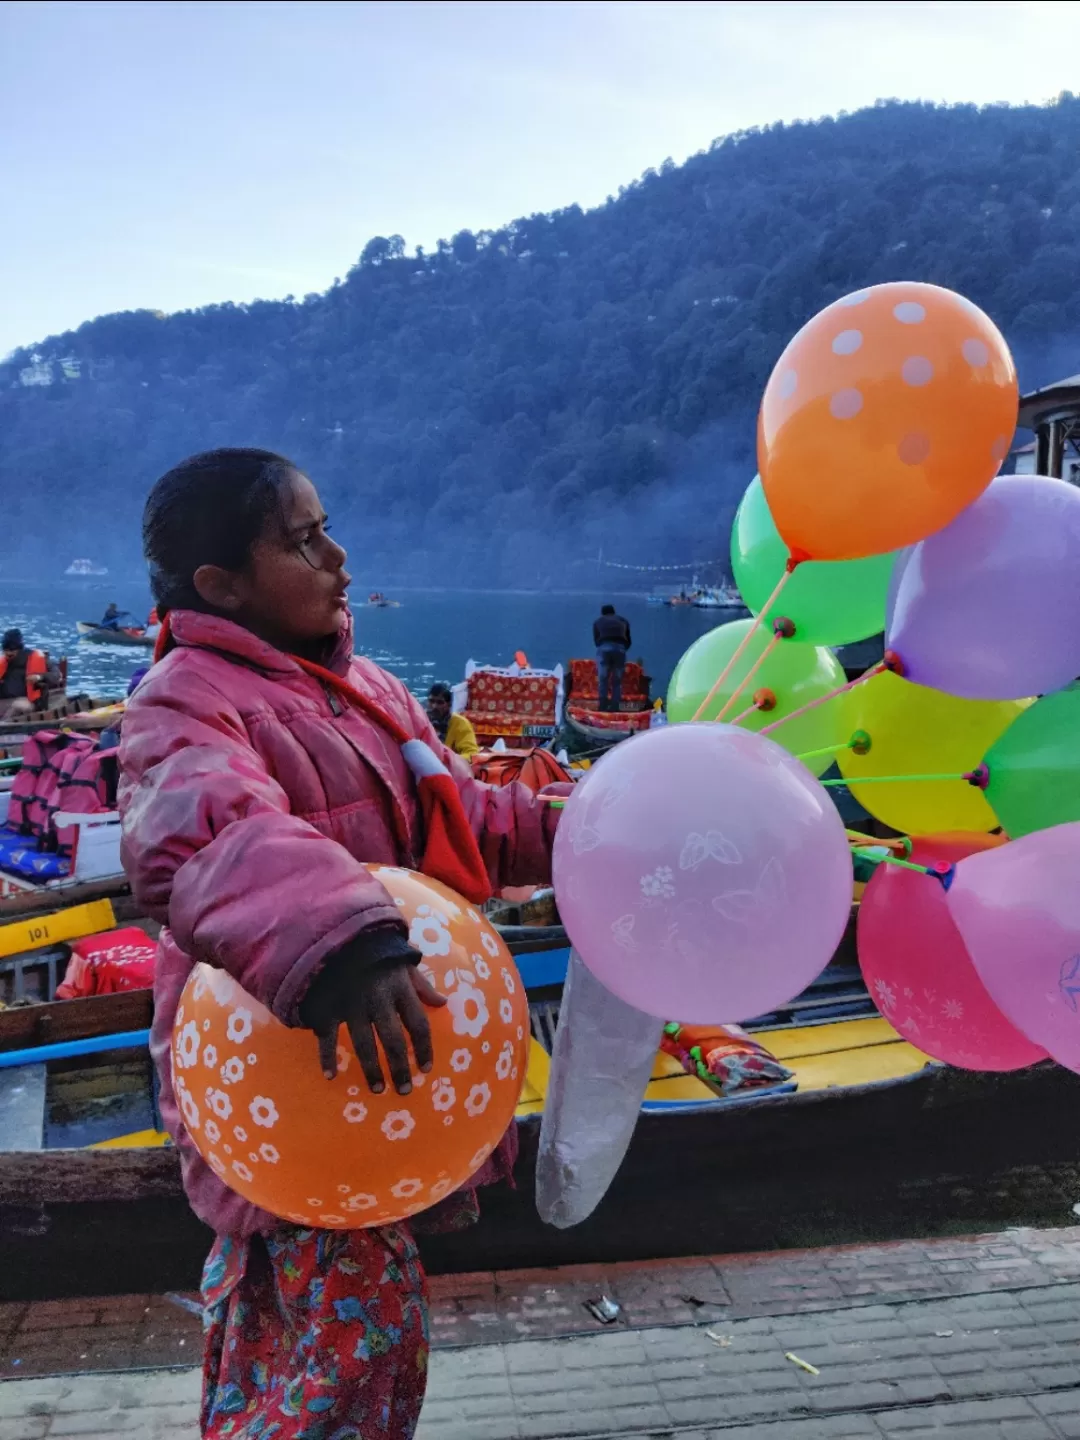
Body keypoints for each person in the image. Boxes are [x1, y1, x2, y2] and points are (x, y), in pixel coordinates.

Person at [118, 448, 563, 1440]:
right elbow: (203, 826)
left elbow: (470, 817)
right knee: (345, 1352)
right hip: (289, 1084)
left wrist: (588, 830)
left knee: (307, 1337)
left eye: (327, 527)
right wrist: (347, 940)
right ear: (220, 584)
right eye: (303, 539)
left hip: (372, 1086)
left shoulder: (370, 692)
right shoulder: (184, 699)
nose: (340, 557)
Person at [0, 629, 60, 719]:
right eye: (6, 650)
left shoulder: (37, 658)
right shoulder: (3, 662)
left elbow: (56, 675)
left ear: (20, 649)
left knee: (20, 705)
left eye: (12, 650)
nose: (8, 653)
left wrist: (39, 677)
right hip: (5, 701)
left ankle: (3, 726)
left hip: (29, 702)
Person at [593, 602, 631, 712]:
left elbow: (596, 640)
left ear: (602, 613)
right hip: (620, 649)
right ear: (614, 612)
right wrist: (622, 648)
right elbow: (628, 640)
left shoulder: (597, 622)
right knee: (617, 680)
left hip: (604, 649)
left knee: (603, 678)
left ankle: (602, 706)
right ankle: (615, 707)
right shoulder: (623, 621)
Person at [426, 681, 479, 760]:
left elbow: (472, 753)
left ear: (449, 705)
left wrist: (449, 760)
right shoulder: (422, 719)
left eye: (440, 702)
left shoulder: (460, 724)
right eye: (431, 701)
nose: (434, 706)